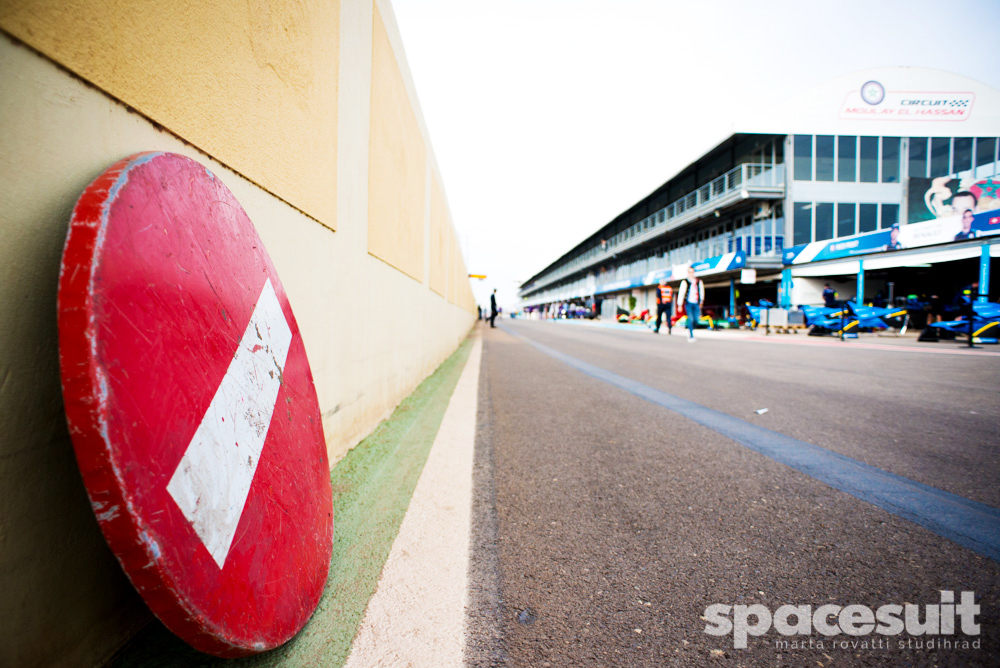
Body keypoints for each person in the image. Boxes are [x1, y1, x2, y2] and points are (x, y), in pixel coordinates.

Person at [677, 266, 704, 342]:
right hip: (688, 303)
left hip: (696, 303)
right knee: (690, 318)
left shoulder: (698, 282)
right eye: (689, 272)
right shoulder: (685, 282)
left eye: (692, 272)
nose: (691, 274)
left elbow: (701, 291)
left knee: (696, 319)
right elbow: (681, 293)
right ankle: (691, 335)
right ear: (687, 273)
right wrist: (679, 304)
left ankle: (691, 328)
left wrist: (701, 301)